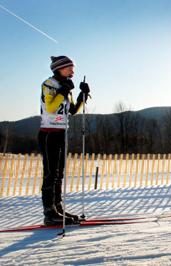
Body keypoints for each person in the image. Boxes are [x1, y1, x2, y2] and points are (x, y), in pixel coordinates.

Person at [38, 56, 90, 225]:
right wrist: (63, 91)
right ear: (60, 68)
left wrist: (83, 94)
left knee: (59, 174)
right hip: (48, 133)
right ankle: (49, 212)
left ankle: (57, 208)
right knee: (50, 174)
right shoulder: (49, 84)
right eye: (70, 68)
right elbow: (52, 108)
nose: (72, 71)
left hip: (61, 133)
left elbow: (72, 110)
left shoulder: (67, 86)